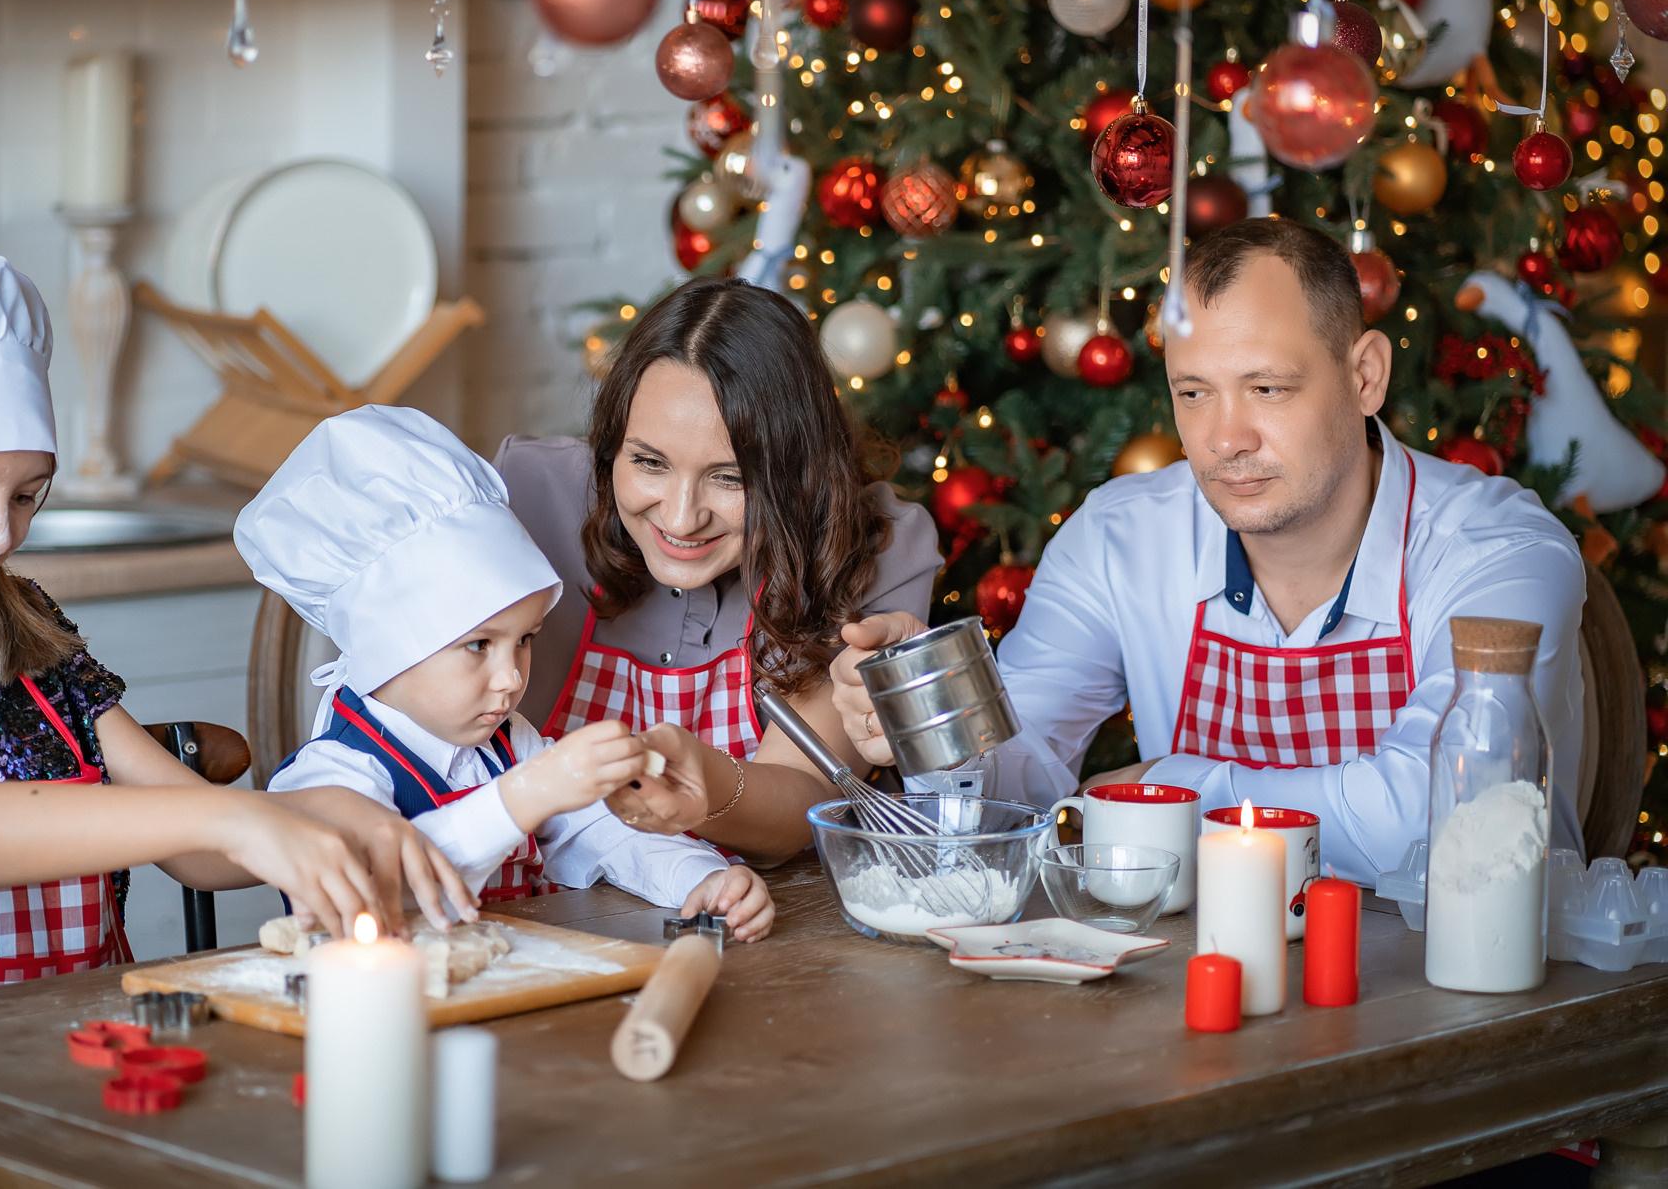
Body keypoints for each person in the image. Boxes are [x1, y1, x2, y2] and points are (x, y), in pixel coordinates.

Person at [0, 259, 474, 1017]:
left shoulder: (26, 637)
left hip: (92, 1065)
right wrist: (232, 817)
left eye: (28, 495)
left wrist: (327, 809)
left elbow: (193, 848)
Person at [833, 218, 1587, 882]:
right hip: (1205, 993)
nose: (1226, 440)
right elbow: (1016, 780)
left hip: (1477, 1008)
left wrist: (1175, 788)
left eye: (1267, 389)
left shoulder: (1501, 555)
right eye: (1194, 393)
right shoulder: (1121, 539)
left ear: (1365, 376)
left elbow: (1442, 820)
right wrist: (933, 717)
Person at [238, 406, 774, 941]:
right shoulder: (331, 774)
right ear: (388, 645)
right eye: (477, 645)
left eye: (525, 640)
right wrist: (528, 794)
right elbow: (386, 886)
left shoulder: (507, 742)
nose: (510, 679)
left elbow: (599, 830)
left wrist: (703, 879)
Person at [493, 277, 942, 866]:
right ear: (612, 444)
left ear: (798, 474)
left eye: (731, 478)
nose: (681, 517)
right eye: (649, 463)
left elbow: (805, 801)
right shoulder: (522, 493)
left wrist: (704, 781)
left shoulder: (872, 543)